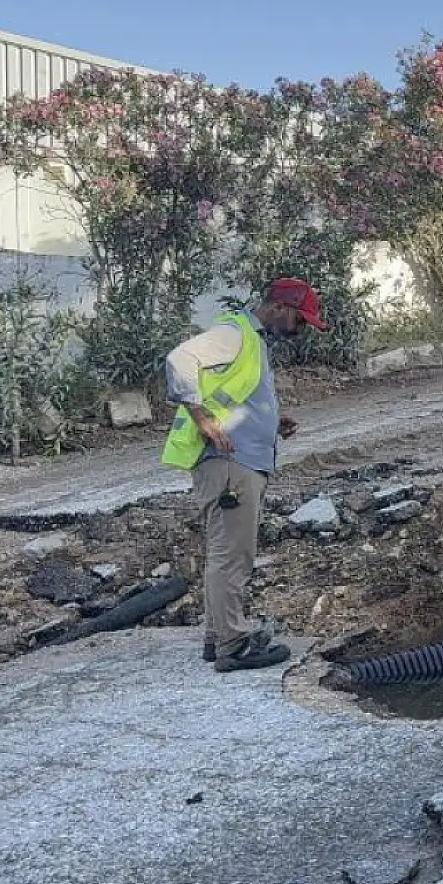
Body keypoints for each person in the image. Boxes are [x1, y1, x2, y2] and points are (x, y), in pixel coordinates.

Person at [162, 278, 327, 672]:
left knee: (226, 553)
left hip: (236, 461)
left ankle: (217, 637)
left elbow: (233, 398)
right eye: (300, 320)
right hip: (229, 464)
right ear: (280, 307)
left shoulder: (250, 341)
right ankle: (233, 646)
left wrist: (268, 422)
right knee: (232, 557)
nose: (300, 329)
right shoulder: (235, 334)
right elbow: (179, 359)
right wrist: (200, 415)